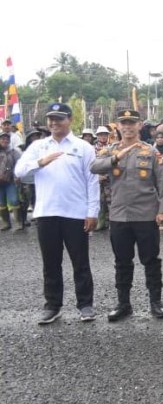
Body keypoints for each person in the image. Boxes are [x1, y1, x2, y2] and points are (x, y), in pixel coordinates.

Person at [15, 103, 100, 324]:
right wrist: (40, 162)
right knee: (50, 262)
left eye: (59, 118)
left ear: (70, 120)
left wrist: (92, 212)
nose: (54, 123)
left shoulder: (83, 147)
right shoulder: (39, 146)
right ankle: (52, 306)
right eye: (51, 119)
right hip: (46, 212)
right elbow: (19, 171)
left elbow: (92, 182)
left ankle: (85, 304)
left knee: (80, 262)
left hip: (76, 213)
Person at [90, 110, 163, 321]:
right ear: (118, 126)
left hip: (146, 215)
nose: (127, 127)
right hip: (119, 215)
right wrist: (115, 158)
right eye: (123, 123)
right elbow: (94, 167)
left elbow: (162, 182)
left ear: (140, 125)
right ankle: (123, 304)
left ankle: (156, 302)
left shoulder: (151, 151)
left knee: (151, 260)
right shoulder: (110, 150)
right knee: (122, 261)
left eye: (132, 123)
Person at [0, 132, 23, 231]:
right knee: (1, 203)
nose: (5, 141)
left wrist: (17, 176)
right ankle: (6, 223)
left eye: (7, 139)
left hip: (10, 181)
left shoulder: (14, 151)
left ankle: (19, 222)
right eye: (2, 139)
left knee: (14, 200)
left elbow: (19, 164)